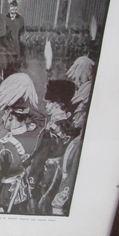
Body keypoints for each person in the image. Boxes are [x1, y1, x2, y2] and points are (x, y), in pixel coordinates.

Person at [0, 73, 44, 214]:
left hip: (7, 201)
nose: (2, 117)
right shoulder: (36, 131)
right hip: (26, 198)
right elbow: (40, 117)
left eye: (4, 112)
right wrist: (23, 98)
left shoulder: (2, 147)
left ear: (10, 114)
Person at [24, 79, 80, 215]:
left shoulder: (50, 131)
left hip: (48, 178)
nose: (46, 106)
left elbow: (39, 160)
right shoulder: (73, 126)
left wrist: (31, 182)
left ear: (58, 104)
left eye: (49, 103)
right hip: (63, 179)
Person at [3, 0, 26, 72]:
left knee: (16, 64)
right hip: (6, 44)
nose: (13, 9)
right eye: (12, 7)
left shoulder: (20, 19)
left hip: (16, 44)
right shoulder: (5, 18)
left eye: (15, 7)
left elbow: (22, 31)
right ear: (9, 7)